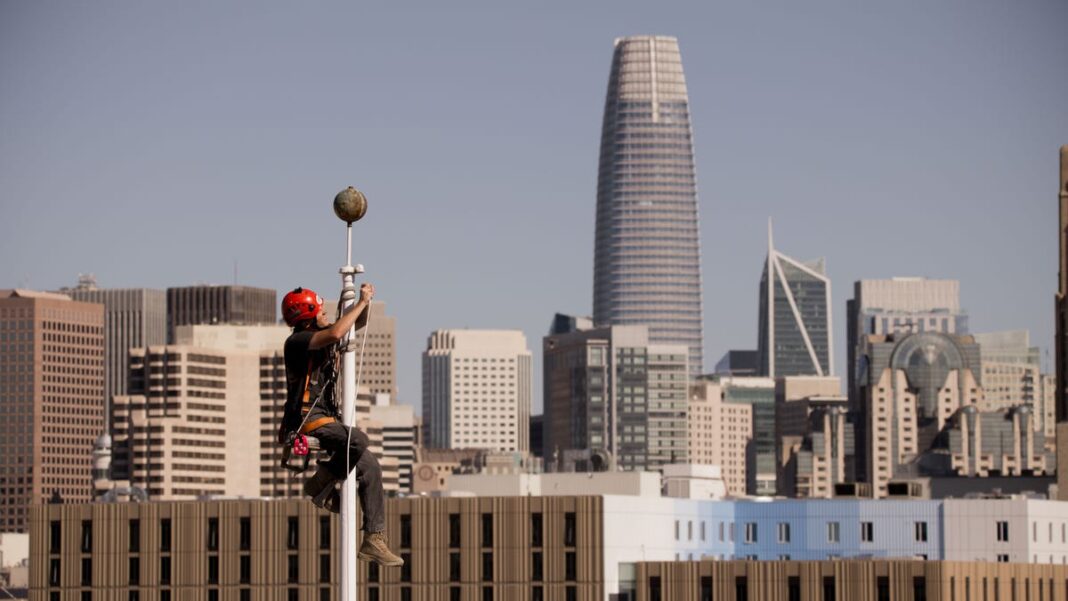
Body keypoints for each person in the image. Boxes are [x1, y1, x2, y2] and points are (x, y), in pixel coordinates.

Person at [278, 284, 403, 567]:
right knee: (357, 440)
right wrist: (360, 301)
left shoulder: (318, 336)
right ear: (308, 317)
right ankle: (319, 483)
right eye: (320, 311)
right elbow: (336, 333)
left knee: (370, 466)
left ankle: (374, 538)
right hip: (308, 419)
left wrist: (365, 301)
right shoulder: (298, 342)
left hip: (325, 416)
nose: (325, 314)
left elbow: (354, 324)